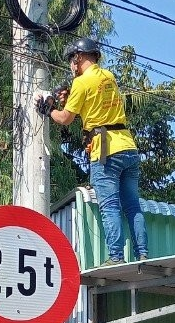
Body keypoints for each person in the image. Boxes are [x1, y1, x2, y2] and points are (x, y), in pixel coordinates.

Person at [40, 37, 148, 265]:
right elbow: (96, 105)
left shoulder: (81, 83)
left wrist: (49, 109)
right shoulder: (109, 77)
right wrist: (71, 98)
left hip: (105, 150)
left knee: (109, 205)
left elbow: (65, 119)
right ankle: (143, 253)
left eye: (71, 60)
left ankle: (116, 257)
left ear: (78, 58)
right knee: (132, 205)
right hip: (127, 145)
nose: (71, 65)